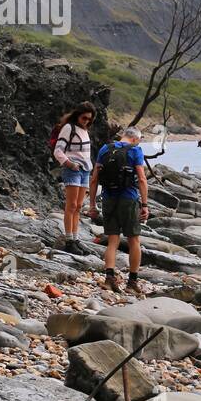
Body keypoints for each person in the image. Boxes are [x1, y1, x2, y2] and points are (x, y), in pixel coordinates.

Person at [87, 127, 149, 295]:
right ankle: (132, 282)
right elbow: (142, 179)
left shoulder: (105, 149)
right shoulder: (136, 150)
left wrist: (92, 205)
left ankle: (109, 279)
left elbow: (94, 179)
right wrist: (144, 205)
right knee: (134, 240)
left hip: (108, 198)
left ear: (123, 136)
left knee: (113, 241)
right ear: (136, 139)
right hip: (128, 199)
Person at [52, 102, 96, 255]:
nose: (86, 121)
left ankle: (76, 239)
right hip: (73, 170)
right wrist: (70, 164)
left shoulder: (84, 130)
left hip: (85, 170)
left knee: (78, 206)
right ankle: (69, 240)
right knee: (71, 205)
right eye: (84, 118)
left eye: (89, 119)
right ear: (78, 115)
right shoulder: (68, 128)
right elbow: (58, 151)